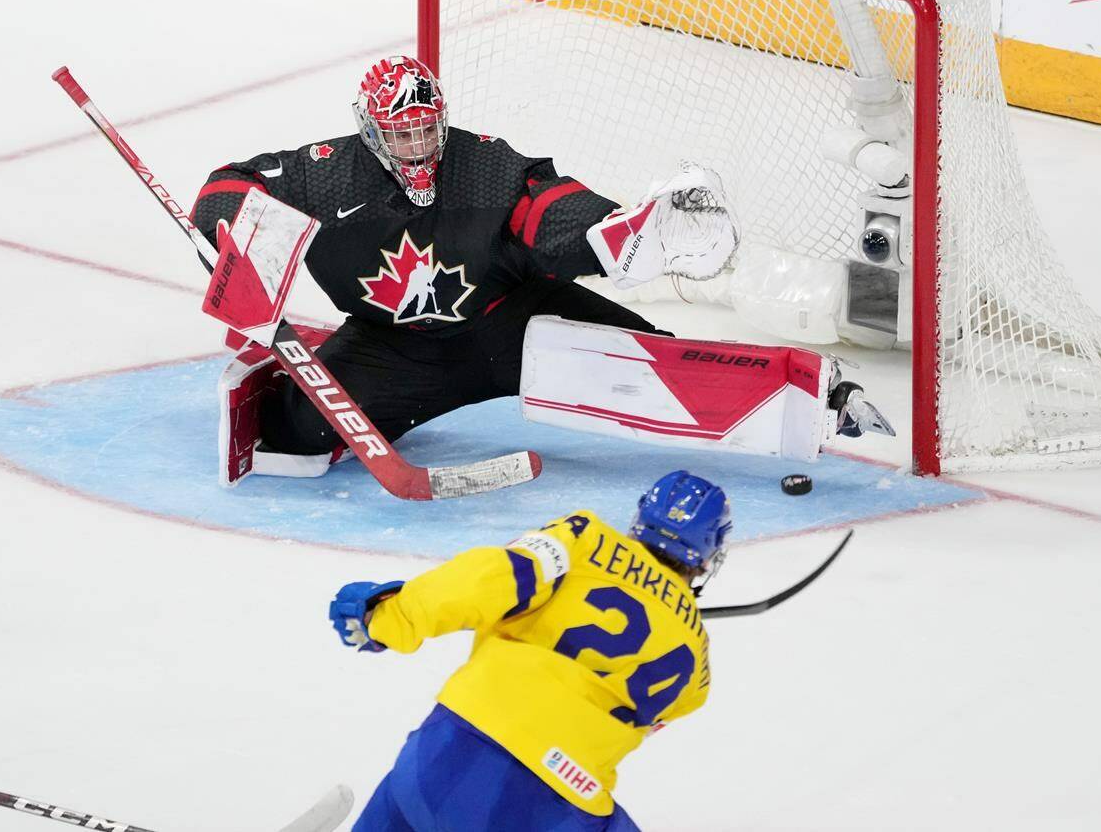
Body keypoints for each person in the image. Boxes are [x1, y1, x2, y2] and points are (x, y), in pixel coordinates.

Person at [193, 55, 679, 480]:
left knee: (652, 364)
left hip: (511, 321)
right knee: (300, 432)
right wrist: (230, 232)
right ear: (370, 130)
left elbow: (545, 206)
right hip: (394, 346)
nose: (419, 148)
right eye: (402, 136)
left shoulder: (481, 162)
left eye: (427, 130)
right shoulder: (328, 175)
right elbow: (237, 183)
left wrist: (611, 233)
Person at [328, 470, 732, 830]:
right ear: (708, 554)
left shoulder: (584, 538)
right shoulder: (698, 667)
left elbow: (493, 579)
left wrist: (390, 617)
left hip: (446, 753)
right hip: (554, 801)